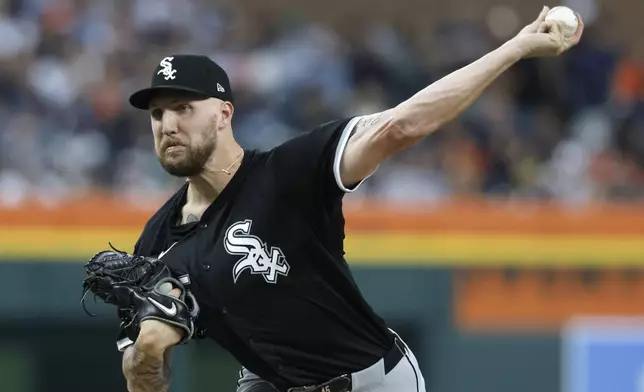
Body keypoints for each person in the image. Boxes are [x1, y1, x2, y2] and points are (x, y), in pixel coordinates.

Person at [120, 7, 583, 392]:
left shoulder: (288, 172)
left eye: (184, 108)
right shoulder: (154, 245)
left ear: (224, 114)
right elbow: (144, 372)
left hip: (371, 382)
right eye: (157, 113)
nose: (167, 124)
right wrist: (146, 352)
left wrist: (517, 46)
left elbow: (398, 126)